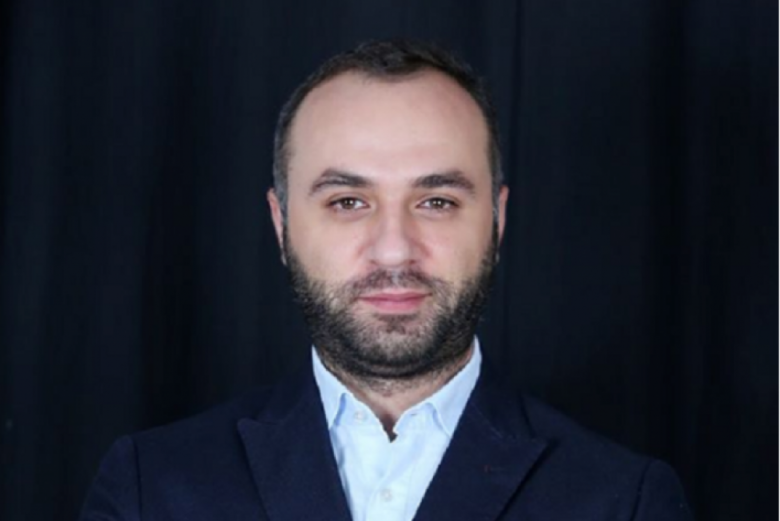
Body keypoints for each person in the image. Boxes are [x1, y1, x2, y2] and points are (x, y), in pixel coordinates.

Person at [80, 40, 693, 521]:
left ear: (498, 220)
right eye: (348, 202)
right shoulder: (149, 488)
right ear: (281, 224)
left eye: (437, 201)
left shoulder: (626, 502)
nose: (395, 248)